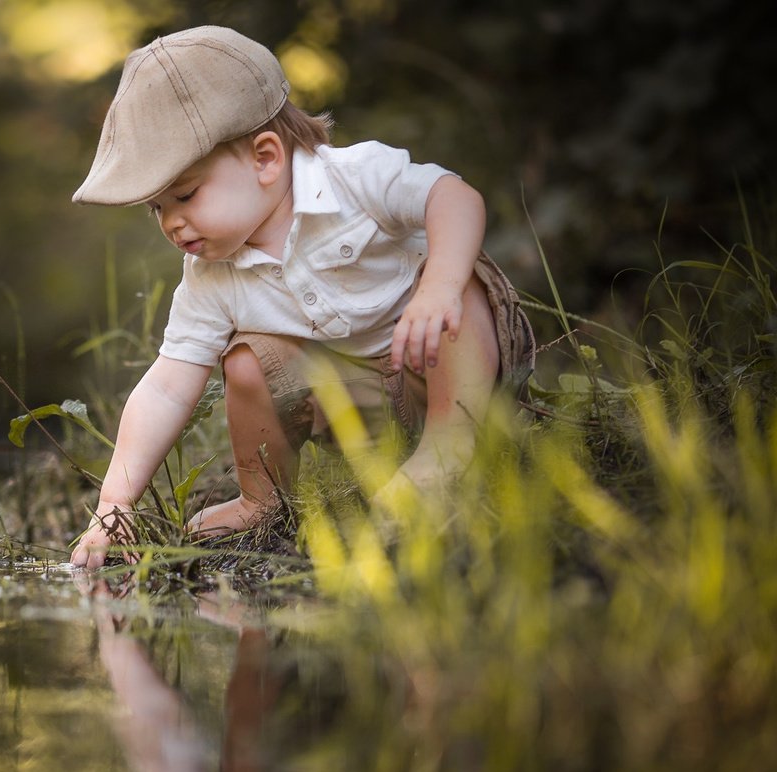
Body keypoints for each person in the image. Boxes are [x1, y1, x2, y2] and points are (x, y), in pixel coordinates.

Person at [68, 25, 534, 570]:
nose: (171, 222)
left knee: (461, 275)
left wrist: (439, 287)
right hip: (361, 404)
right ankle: (261, 501)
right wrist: (114, 505)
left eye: (186, 194)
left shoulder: (354, 179)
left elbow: (455, 197)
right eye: (157, 208)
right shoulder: (209, 275)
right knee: (246, 359)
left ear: (265, 158)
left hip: (449, 364)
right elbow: (168, 388)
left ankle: (449, 446)